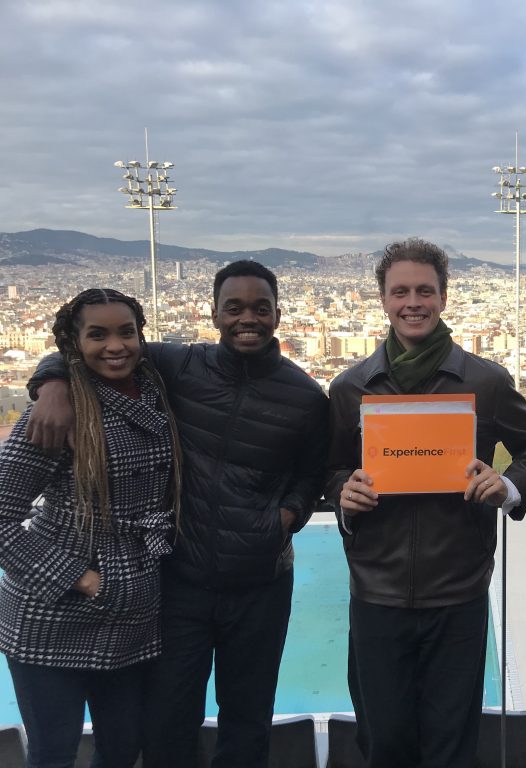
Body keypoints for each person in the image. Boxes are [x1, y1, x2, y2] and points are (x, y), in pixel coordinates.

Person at [27, 261, 329, 768]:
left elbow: (311, 475)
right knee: (167, 719)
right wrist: (51, 384)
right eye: (234, 308)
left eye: (260, 308)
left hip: (261, 584)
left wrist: (285, 518)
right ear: (214, 314)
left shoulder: (305, 396)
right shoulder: (179, 364)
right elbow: (95, 349)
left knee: (248, 719)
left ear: (278, 314)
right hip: (179, 582)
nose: (247, 318)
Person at [326, 238, 526, 768]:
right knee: (384, 742)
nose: (413, 302)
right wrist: (341, 492)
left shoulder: (486, 382)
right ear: (383, 299)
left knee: (451, 744)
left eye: (424, 291)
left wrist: (507, 485)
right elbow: (328, 468)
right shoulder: (349, 388)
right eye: (400, 291)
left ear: (443, 298)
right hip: (377, 593)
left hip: (458, 593)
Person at [0, 289, 181, 767]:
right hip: (51, 614)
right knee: (54, 753)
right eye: (97, 335)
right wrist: (82, 578)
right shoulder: (58, 414)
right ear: (75, 344)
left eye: (127, 332)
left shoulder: (158, 390)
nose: (115, 346)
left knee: (123, 748)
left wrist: (51, 377)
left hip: (132, 612)